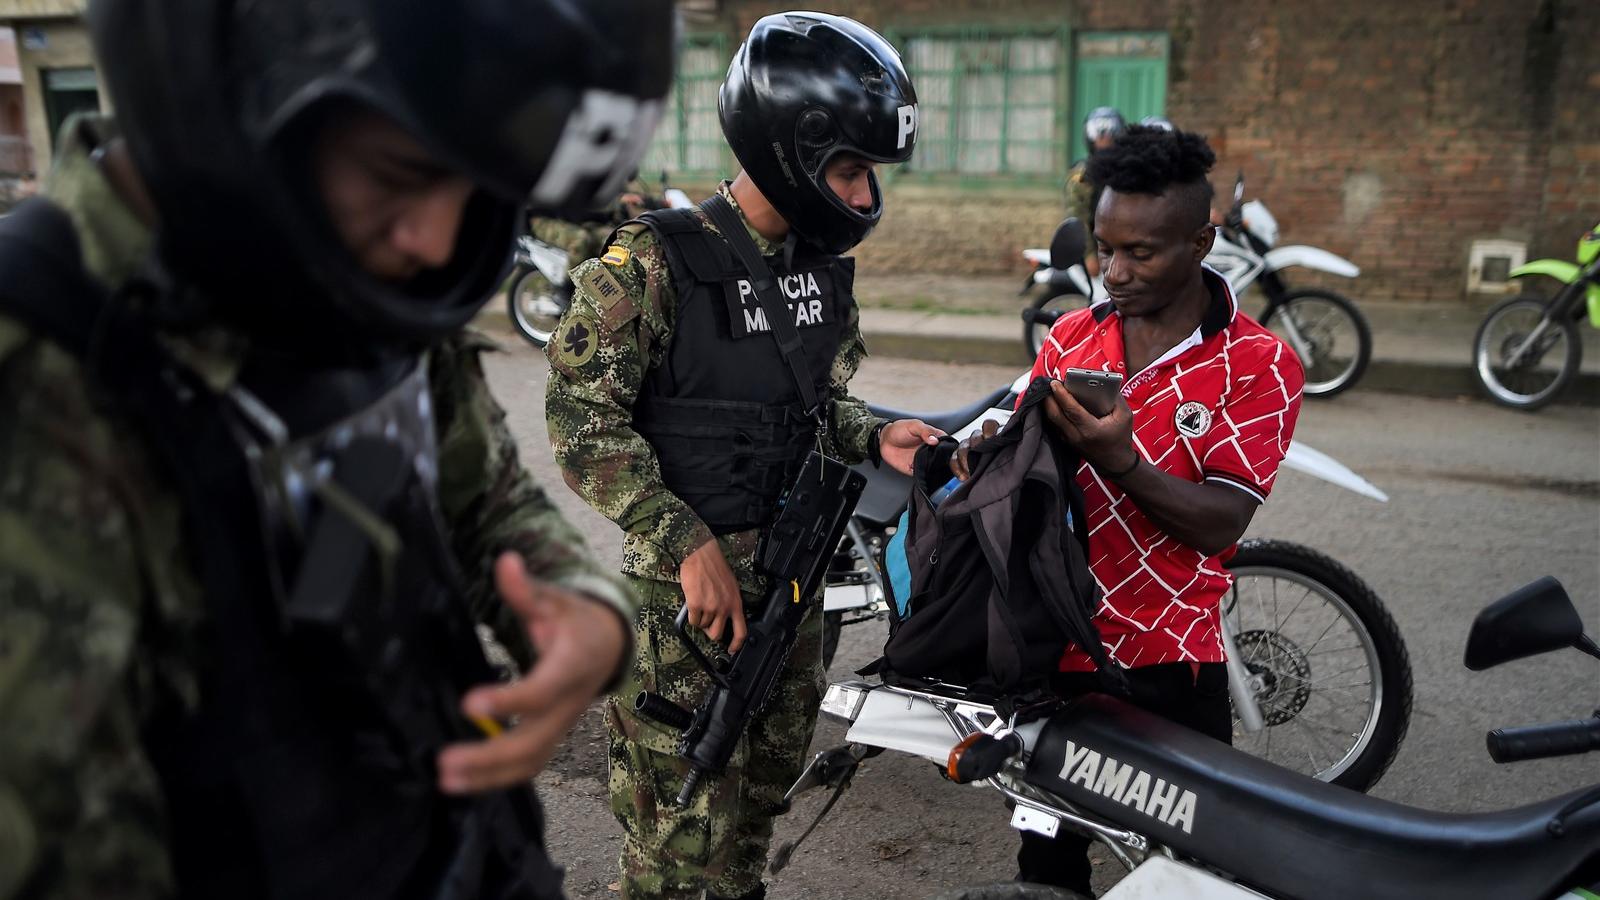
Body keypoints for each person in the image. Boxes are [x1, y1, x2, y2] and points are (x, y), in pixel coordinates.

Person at [0, 1, 673, 897]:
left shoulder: (340, 269)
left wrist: (584, 611)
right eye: (400, 173)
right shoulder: (40, 381)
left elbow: (479, 496)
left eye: (475, 190)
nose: (434, 240)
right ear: (231, 89)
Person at [545, 12, 938, 900]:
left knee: (755, 817)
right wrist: (686, 544)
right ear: (784, 152)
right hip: (684, 610)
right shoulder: (650, 265)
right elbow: (579, 419)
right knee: (678, 846)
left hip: (794, 591)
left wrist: (874, 434)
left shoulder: (822, 273)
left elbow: (816, 407)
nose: (867, 197)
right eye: (850, 170)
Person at [962, 125, 1306, 895]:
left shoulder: (1258, 362)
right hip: (1054, 657)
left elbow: (1220, 521)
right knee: (1046, 869)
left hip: (1171, 670)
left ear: (1200, 242)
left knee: (1185, 877)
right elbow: (1016, 452)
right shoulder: (1073, 336)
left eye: (1140, 253)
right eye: (1104, 247)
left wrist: (1121, 460)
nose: (1113, 272)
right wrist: (976, 451)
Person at [1063, 106, 1127, 278]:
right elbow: (1077, 216)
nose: (1104, 140)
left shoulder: (1128, 170)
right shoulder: (1082, 175)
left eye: (1110, 134)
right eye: (1099, 134)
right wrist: (1089, 254)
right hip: (1099, 248)